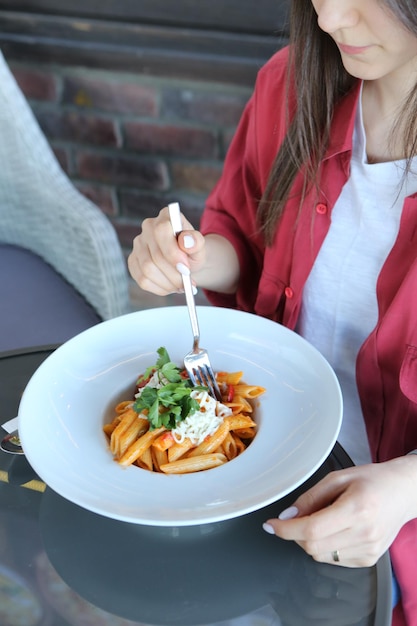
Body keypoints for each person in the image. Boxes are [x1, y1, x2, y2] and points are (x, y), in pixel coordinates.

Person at [128, 1, 417, 624]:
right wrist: (197, 260)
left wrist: (407, 487)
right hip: (259, 479)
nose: (331, 18)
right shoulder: (290, 83)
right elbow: (250, 250)